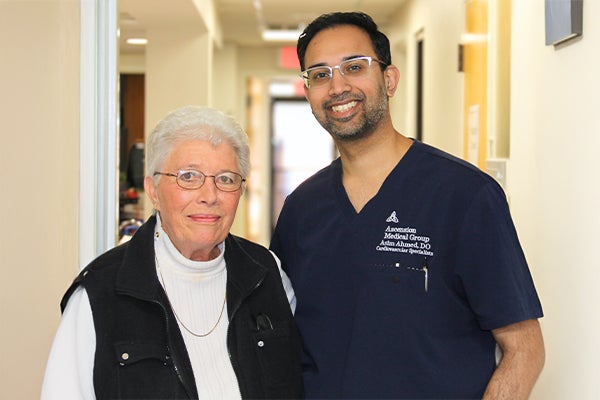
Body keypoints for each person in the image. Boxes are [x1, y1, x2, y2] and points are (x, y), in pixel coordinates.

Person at [270, 11, 544, 400]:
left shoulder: (465, 196)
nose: (338, 86)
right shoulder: (301, 210)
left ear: (389, 79)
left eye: (354, 67)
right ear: (309, 93)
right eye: (320, 74)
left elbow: (524, 348)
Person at [42, 106, 303, 399]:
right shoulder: (99, 293)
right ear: (153, 190)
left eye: (226, 179)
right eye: (188, 177)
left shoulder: (266, 275)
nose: (209, 196)